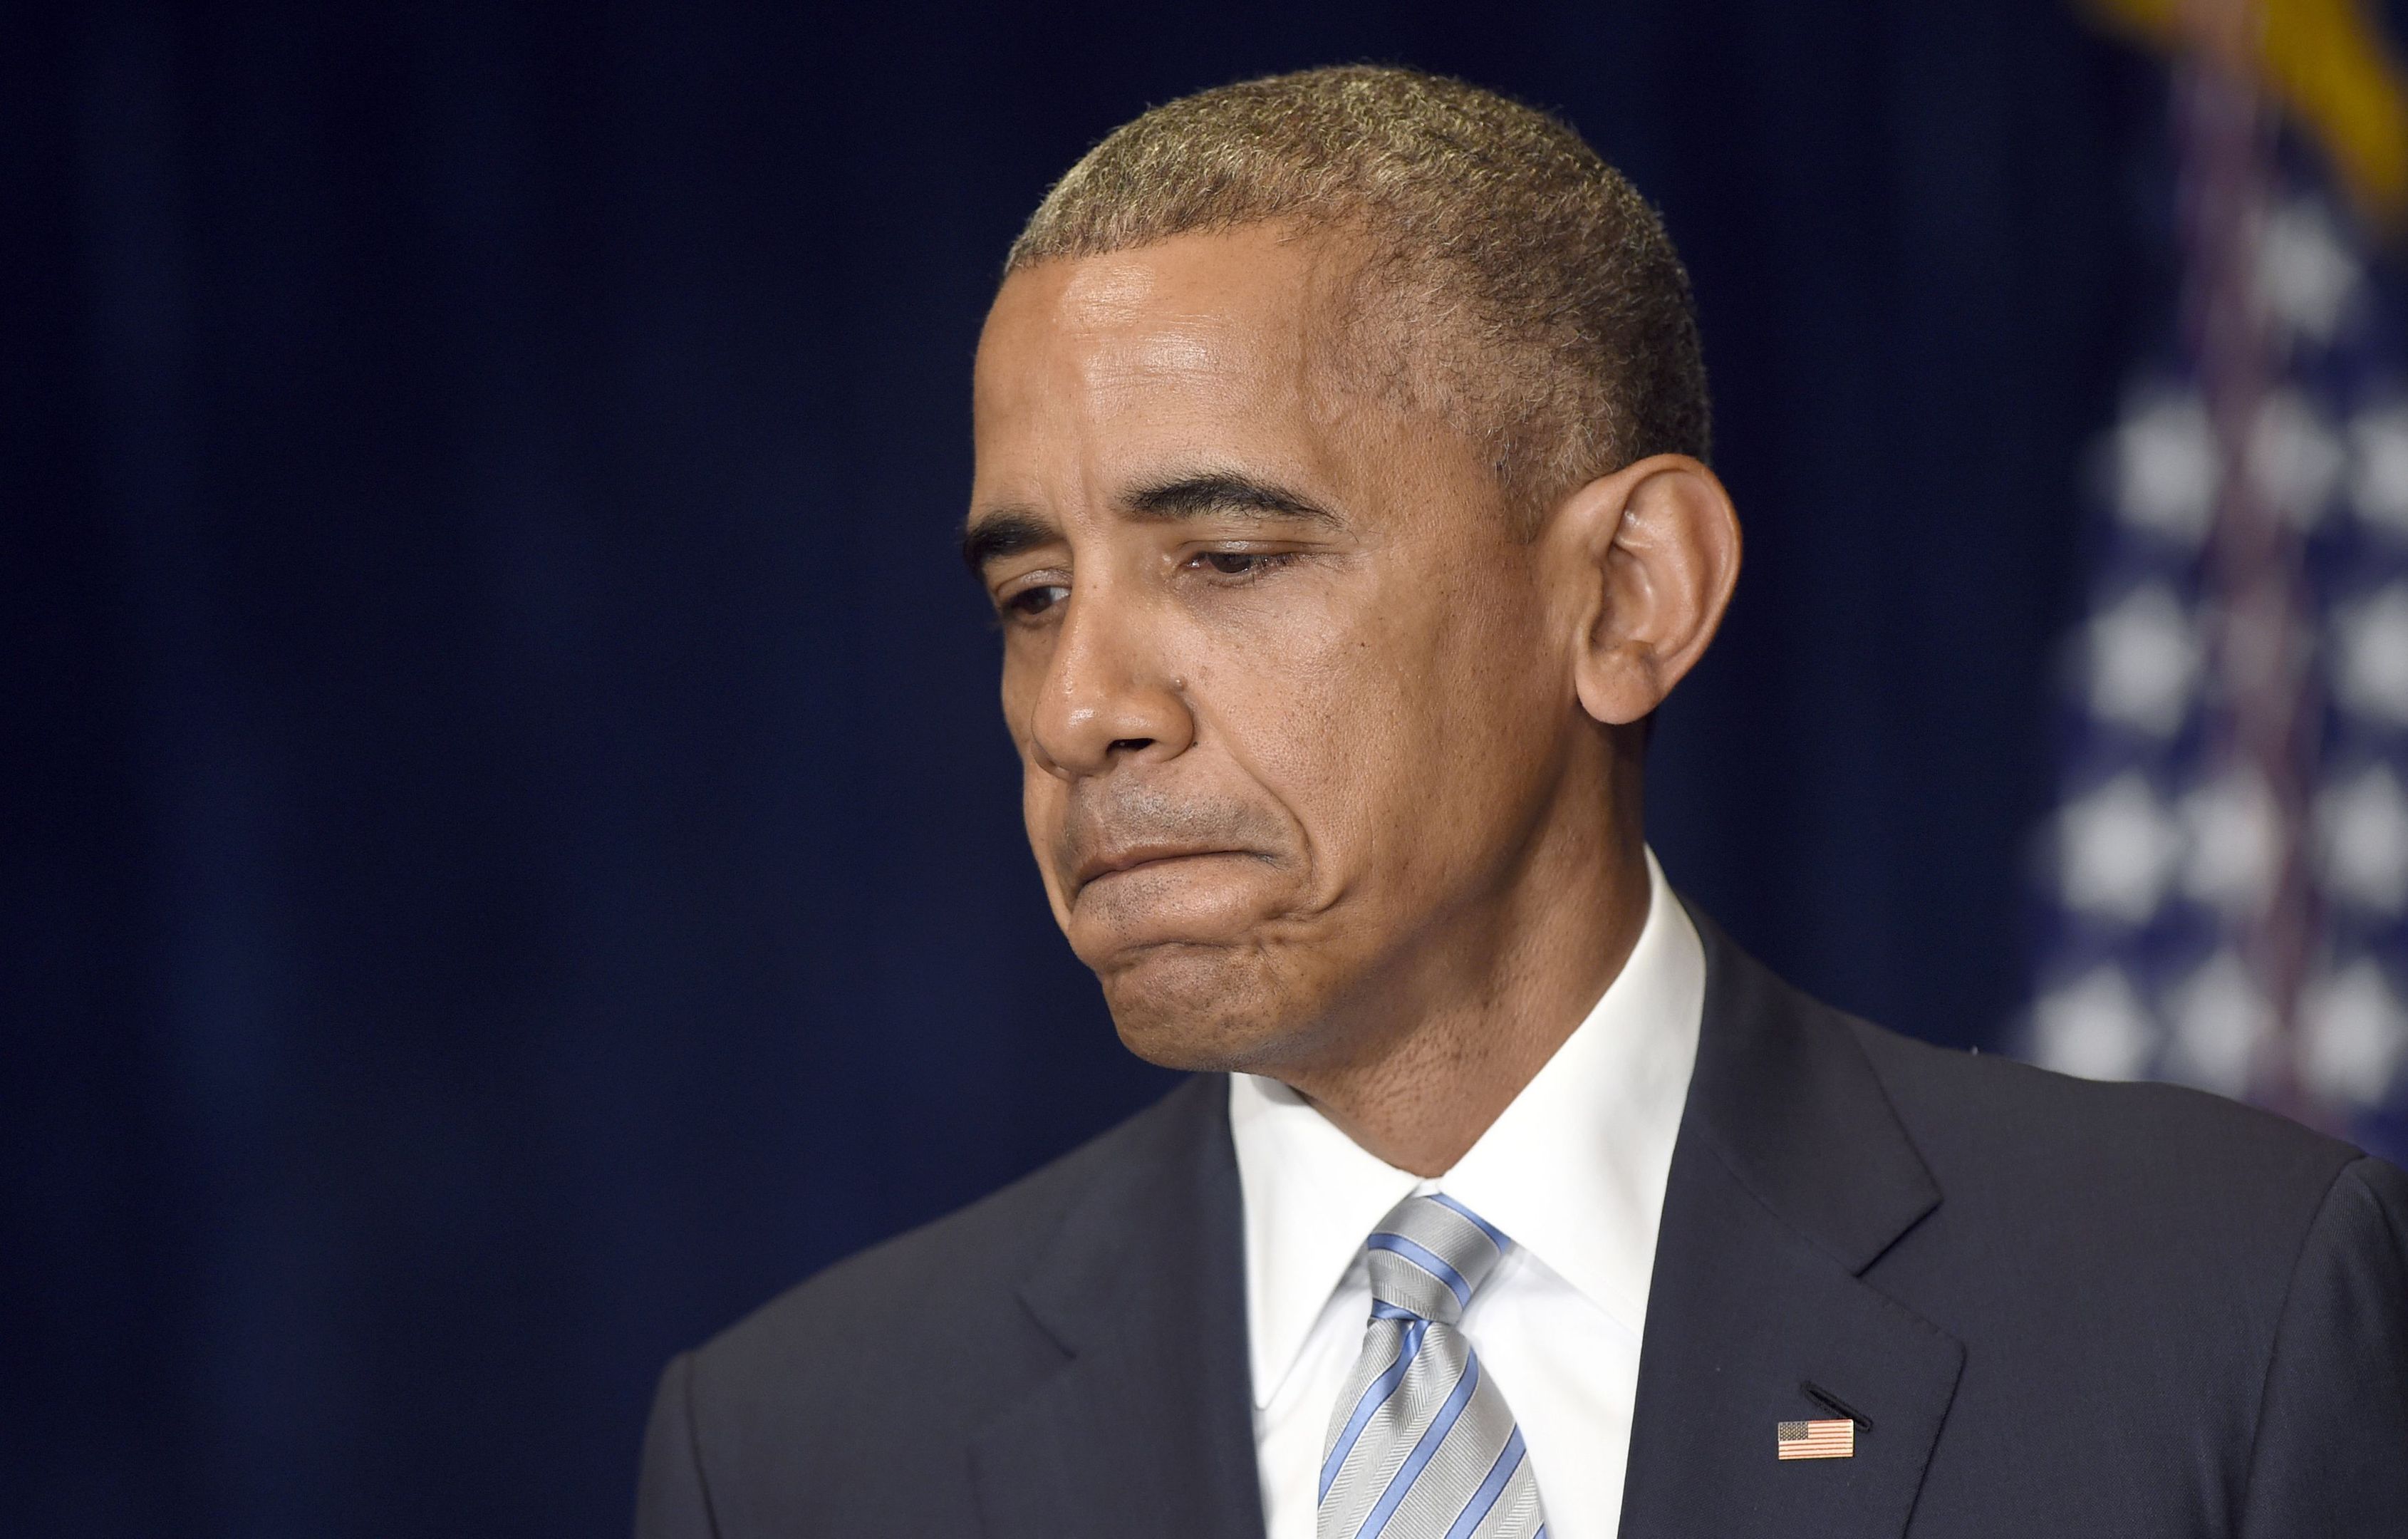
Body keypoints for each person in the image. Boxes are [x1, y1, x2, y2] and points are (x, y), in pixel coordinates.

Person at [633, 66, 2408, 1538]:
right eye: (1031, 599)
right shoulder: (798, 1454)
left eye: (1231, 555)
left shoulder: (2217, 1317)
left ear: (1629, 594)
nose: (1081, 707)